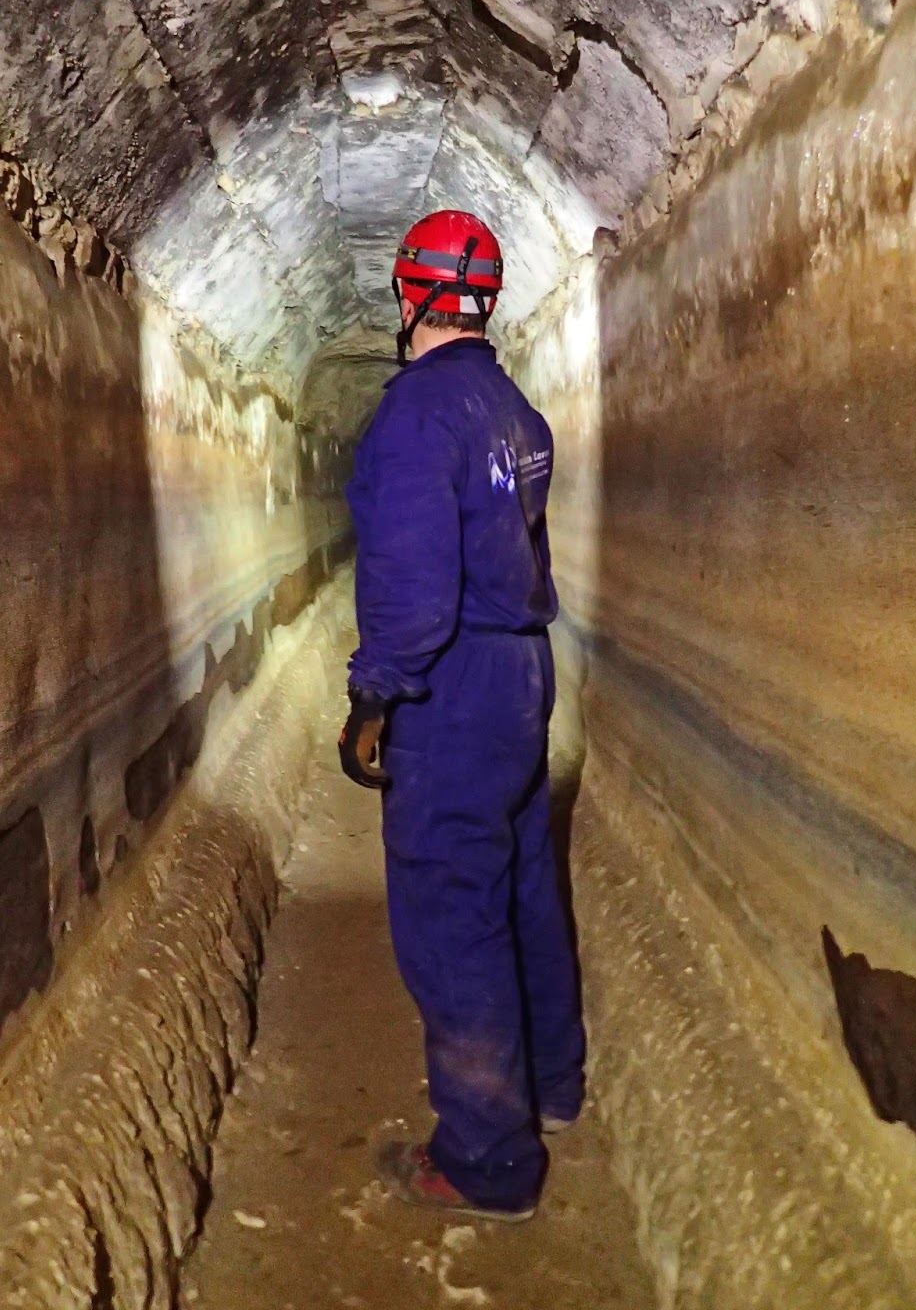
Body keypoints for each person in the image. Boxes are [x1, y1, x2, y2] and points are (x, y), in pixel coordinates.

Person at [338, 209, 586, 1223]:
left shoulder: (413, 418)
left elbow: (411, 587)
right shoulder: (515, 414)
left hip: (452, 684)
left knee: (452, 912)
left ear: (409, 295)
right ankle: (552, 1086)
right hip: (522, 675)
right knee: (524, 883)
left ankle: (487, 1160)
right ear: (482, 299)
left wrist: (373, 696)